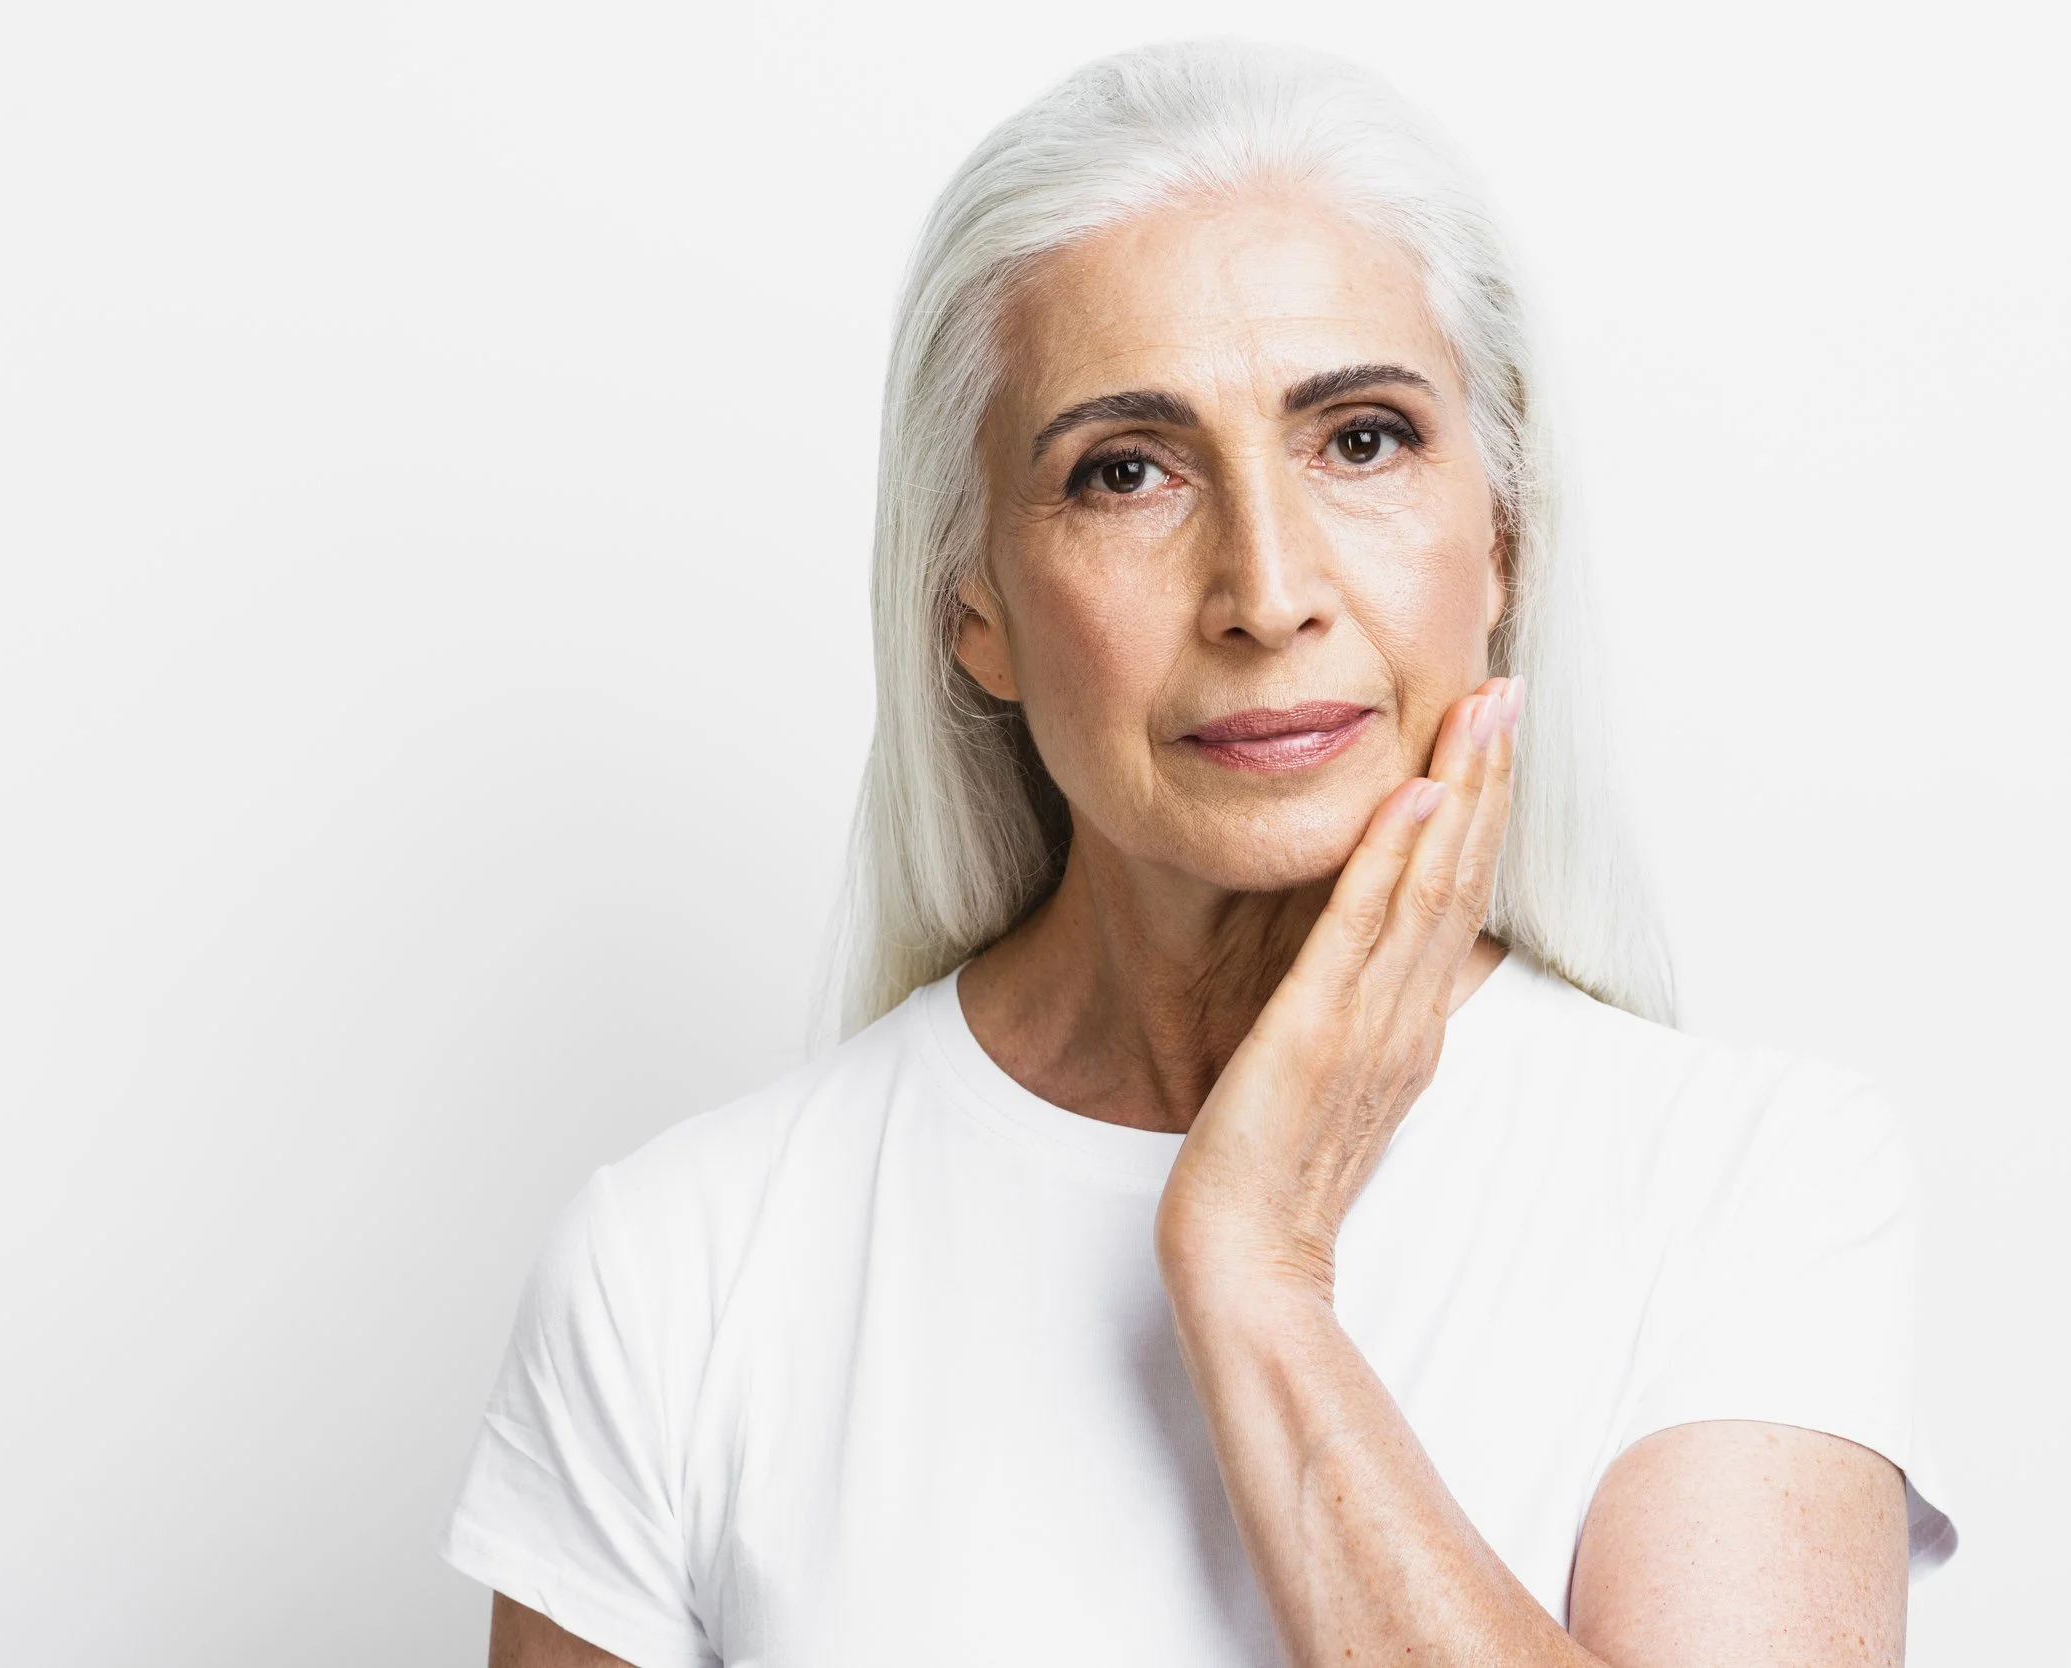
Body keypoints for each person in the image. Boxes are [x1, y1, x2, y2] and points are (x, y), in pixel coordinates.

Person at [438, 37, 1957, 1667]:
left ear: (1501, 530)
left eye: (1361, 440)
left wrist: (1256, 1275)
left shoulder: (1749, 1183)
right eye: (1127, 472)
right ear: (976, 608)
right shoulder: (685, 1265)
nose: (1267, 587)